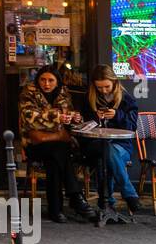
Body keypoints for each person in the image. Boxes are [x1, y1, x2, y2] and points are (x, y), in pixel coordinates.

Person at [18, 64, 95, 223]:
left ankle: (56, 209)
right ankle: (75, 197)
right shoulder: (28, 92)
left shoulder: (63, 92)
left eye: (51, 80)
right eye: (43, 80)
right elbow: (29, 116)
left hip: (57, 144)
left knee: (55, 159)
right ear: (37, 80)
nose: (46, 84)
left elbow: (68, 113)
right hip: (36, 143)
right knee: (59, 151)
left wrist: (74, 117)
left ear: (57, 81)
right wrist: (56, 118)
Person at [80, 64, 141, 214]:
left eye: (106, 86)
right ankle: (129, 192)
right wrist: (95, 117)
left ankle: (106, 203)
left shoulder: (126, 99)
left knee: (105, 157)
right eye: (99, 88)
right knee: (104, 149)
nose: (103, 90)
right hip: (94, 144)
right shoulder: (89, 98)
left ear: (114, 82)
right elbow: (82, 124)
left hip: (120, 145)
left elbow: (132, 126)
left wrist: (117, 115)